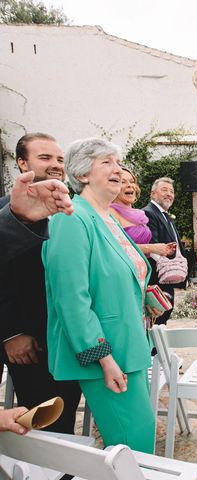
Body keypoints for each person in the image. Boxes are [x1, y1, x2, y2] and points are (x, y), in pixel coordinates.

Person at [42, 137, 156, 453]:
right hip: (106, 355)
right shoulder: (72, 218)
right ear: (81, 174)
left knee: (139, 441)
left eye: (118, 163)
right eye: (107, 162)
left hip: (128, 349)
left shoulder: (106, 216)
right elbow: (71, 300)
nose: (118, 170)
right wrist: (102, 358)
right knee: (134, 449)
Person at [0, 133, 82, 435]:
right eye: (45, 158)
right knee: (45, 422)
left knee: (67, 409)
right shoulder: (6, 212)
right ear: (22, 163)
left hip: (66, 336)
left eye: (59, 159)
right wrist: (11, 333)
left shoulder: (70, 211)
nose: (56, 165)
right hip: (29, 340)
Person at [143, 177, 186, 325]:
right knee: (157, 320)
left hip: (167, 278)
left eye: (172, 191)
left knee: (164, 317)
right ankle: (155, 349)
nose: (169, 194)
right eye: (164, 190)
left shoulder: (164, 215)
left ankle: (159, 348)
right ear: (153, 193)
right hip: (157, 278)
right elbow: (152, 245)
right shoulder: (149, 213)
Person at [109, 167, 176, 257]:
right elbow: (113, 248)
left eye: (132, 181)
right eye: (123, 182)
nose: (129, 185)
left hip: (143, 268)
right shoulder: (110, 213)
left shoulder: (140, 215)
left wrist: (162, 250)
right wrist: (152, 248)